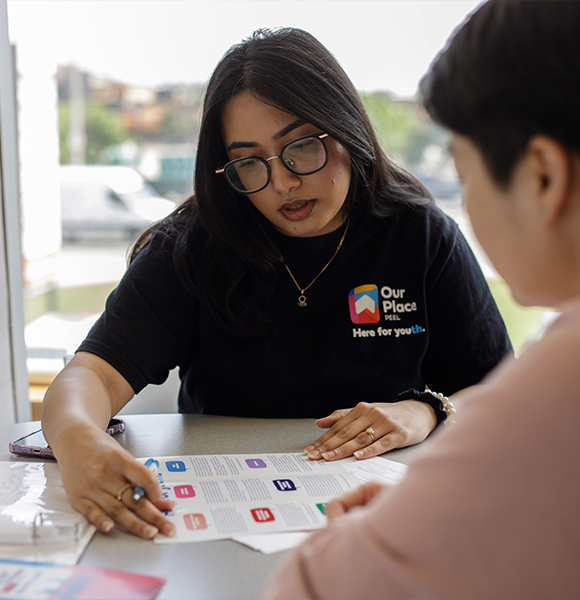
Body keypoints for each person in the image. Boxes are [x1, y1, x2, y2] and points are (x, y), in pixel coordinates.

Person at [41, 28, 511, 539]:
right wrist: (77, 440)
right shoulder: (194, 245)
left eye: (301, 148)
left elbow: (499, 392)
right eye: (249, 163)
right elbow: (91, 375)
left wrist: (426, 409)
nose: (283, 182)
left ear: (346, 129)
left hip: (388, 518)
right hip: (228, 519)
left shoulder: (420, 233)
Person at [262, 1, 580, 598]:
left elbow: (306, 588)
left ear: (542, 177)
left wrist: (386, 528)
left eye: (463, 175)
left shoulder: (576, 367)